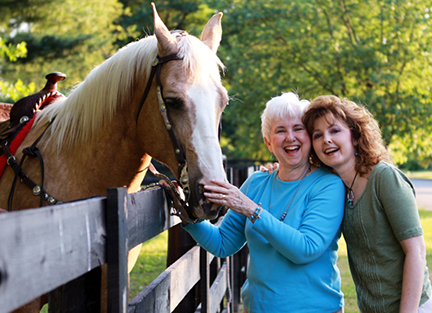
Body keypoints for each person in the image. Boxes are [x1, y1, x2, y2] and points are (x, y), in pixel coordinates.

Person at [173, 92, 346, 312]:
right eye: (280, 130)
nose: (290, 137)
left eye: (298, 128)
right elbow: (223, 243)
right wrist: (187, 213)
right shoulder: (256, 183)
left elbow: (306, 249)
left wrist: (251, 209)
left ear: (310, 138)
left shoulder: (328, 185)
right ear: (268, 142)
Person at [300, 95, 432, 312]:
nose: (326, 140)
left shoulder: (384, 177)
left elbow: (416, 252)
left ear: (354, 136)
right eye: (318, 135)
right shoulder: (334, 188)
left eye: (335, 131)